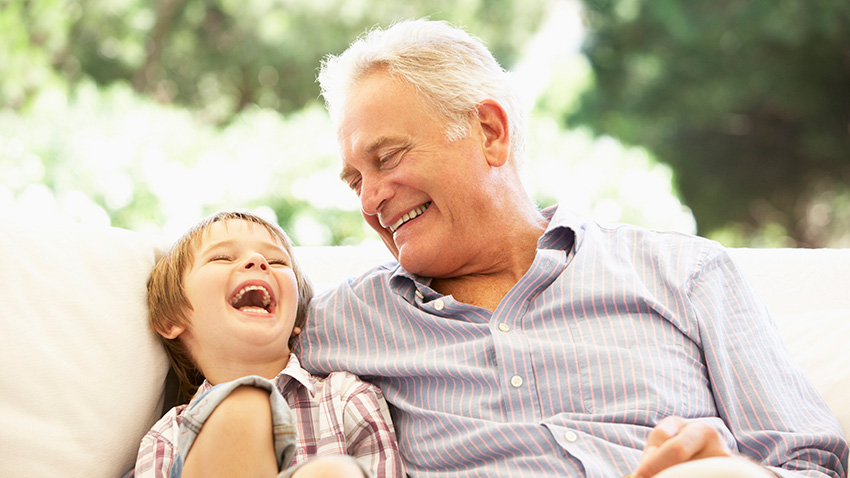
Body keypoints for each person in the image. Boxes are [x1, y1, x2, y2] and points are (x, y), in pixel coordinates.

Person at [297, 19, 849, 478]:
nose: (371, 199)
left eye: (388, 157)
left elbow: (812, 461)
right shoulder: (338, 322)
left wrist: (724, 467)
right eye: (354, 182)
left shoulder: (684, 273)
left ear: (490, 132)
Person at [133, 211, 403, 478]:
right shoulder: (167, 437)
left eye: (276, 261)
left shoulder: (346, 397)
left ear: (297, 316)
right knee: (243, 405)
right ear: (171, 319)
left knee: (333, 471)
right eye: (222, 257)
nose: (258, 261)